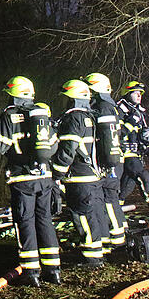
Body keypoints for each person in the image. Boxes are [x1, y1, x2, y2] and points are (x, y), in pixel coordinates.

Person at [0, 76, 60, 287]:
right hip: (45, 178)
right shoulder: (42, 115)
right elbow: (54, 146)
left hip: (22, 179)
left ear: (13, 94)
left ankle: (31, 272)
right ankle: (53, 270)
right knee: (45, 220)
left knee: (25, 222)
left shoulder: (9, 116)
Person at [53, 79, 107, 267]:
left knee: (82, 214)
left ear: (72, 99)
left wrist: (57, 173)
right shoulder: (90, 116)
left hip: (79, 176)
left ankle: (92, 258)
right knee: (94, 214)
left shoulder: (73, 118)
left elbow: (69, 149)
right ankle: (98, 252)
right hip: (93, 175)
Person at [84, 73, 127, 252]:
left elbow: (104, 137)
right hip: (115, 160)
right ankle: (117, 236)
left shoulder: (103, 108)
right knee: (111, 199)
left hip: (110, 163)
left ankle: (117, 242)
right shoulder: (112, 106)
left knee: (109, 199)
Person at [117, 81, 149, 203]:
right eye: (136, 93)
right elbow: (118, 133)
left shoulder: (140, 111)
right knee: (143, 176)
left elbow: (143, 133)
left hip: (137, 152)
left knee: (125, 188)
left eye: (140, 93)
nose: (139, 96)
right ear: (127, 93)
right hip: (125, 152)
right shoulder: (119, 109)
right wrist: (130, 123)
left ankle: (115, 211)